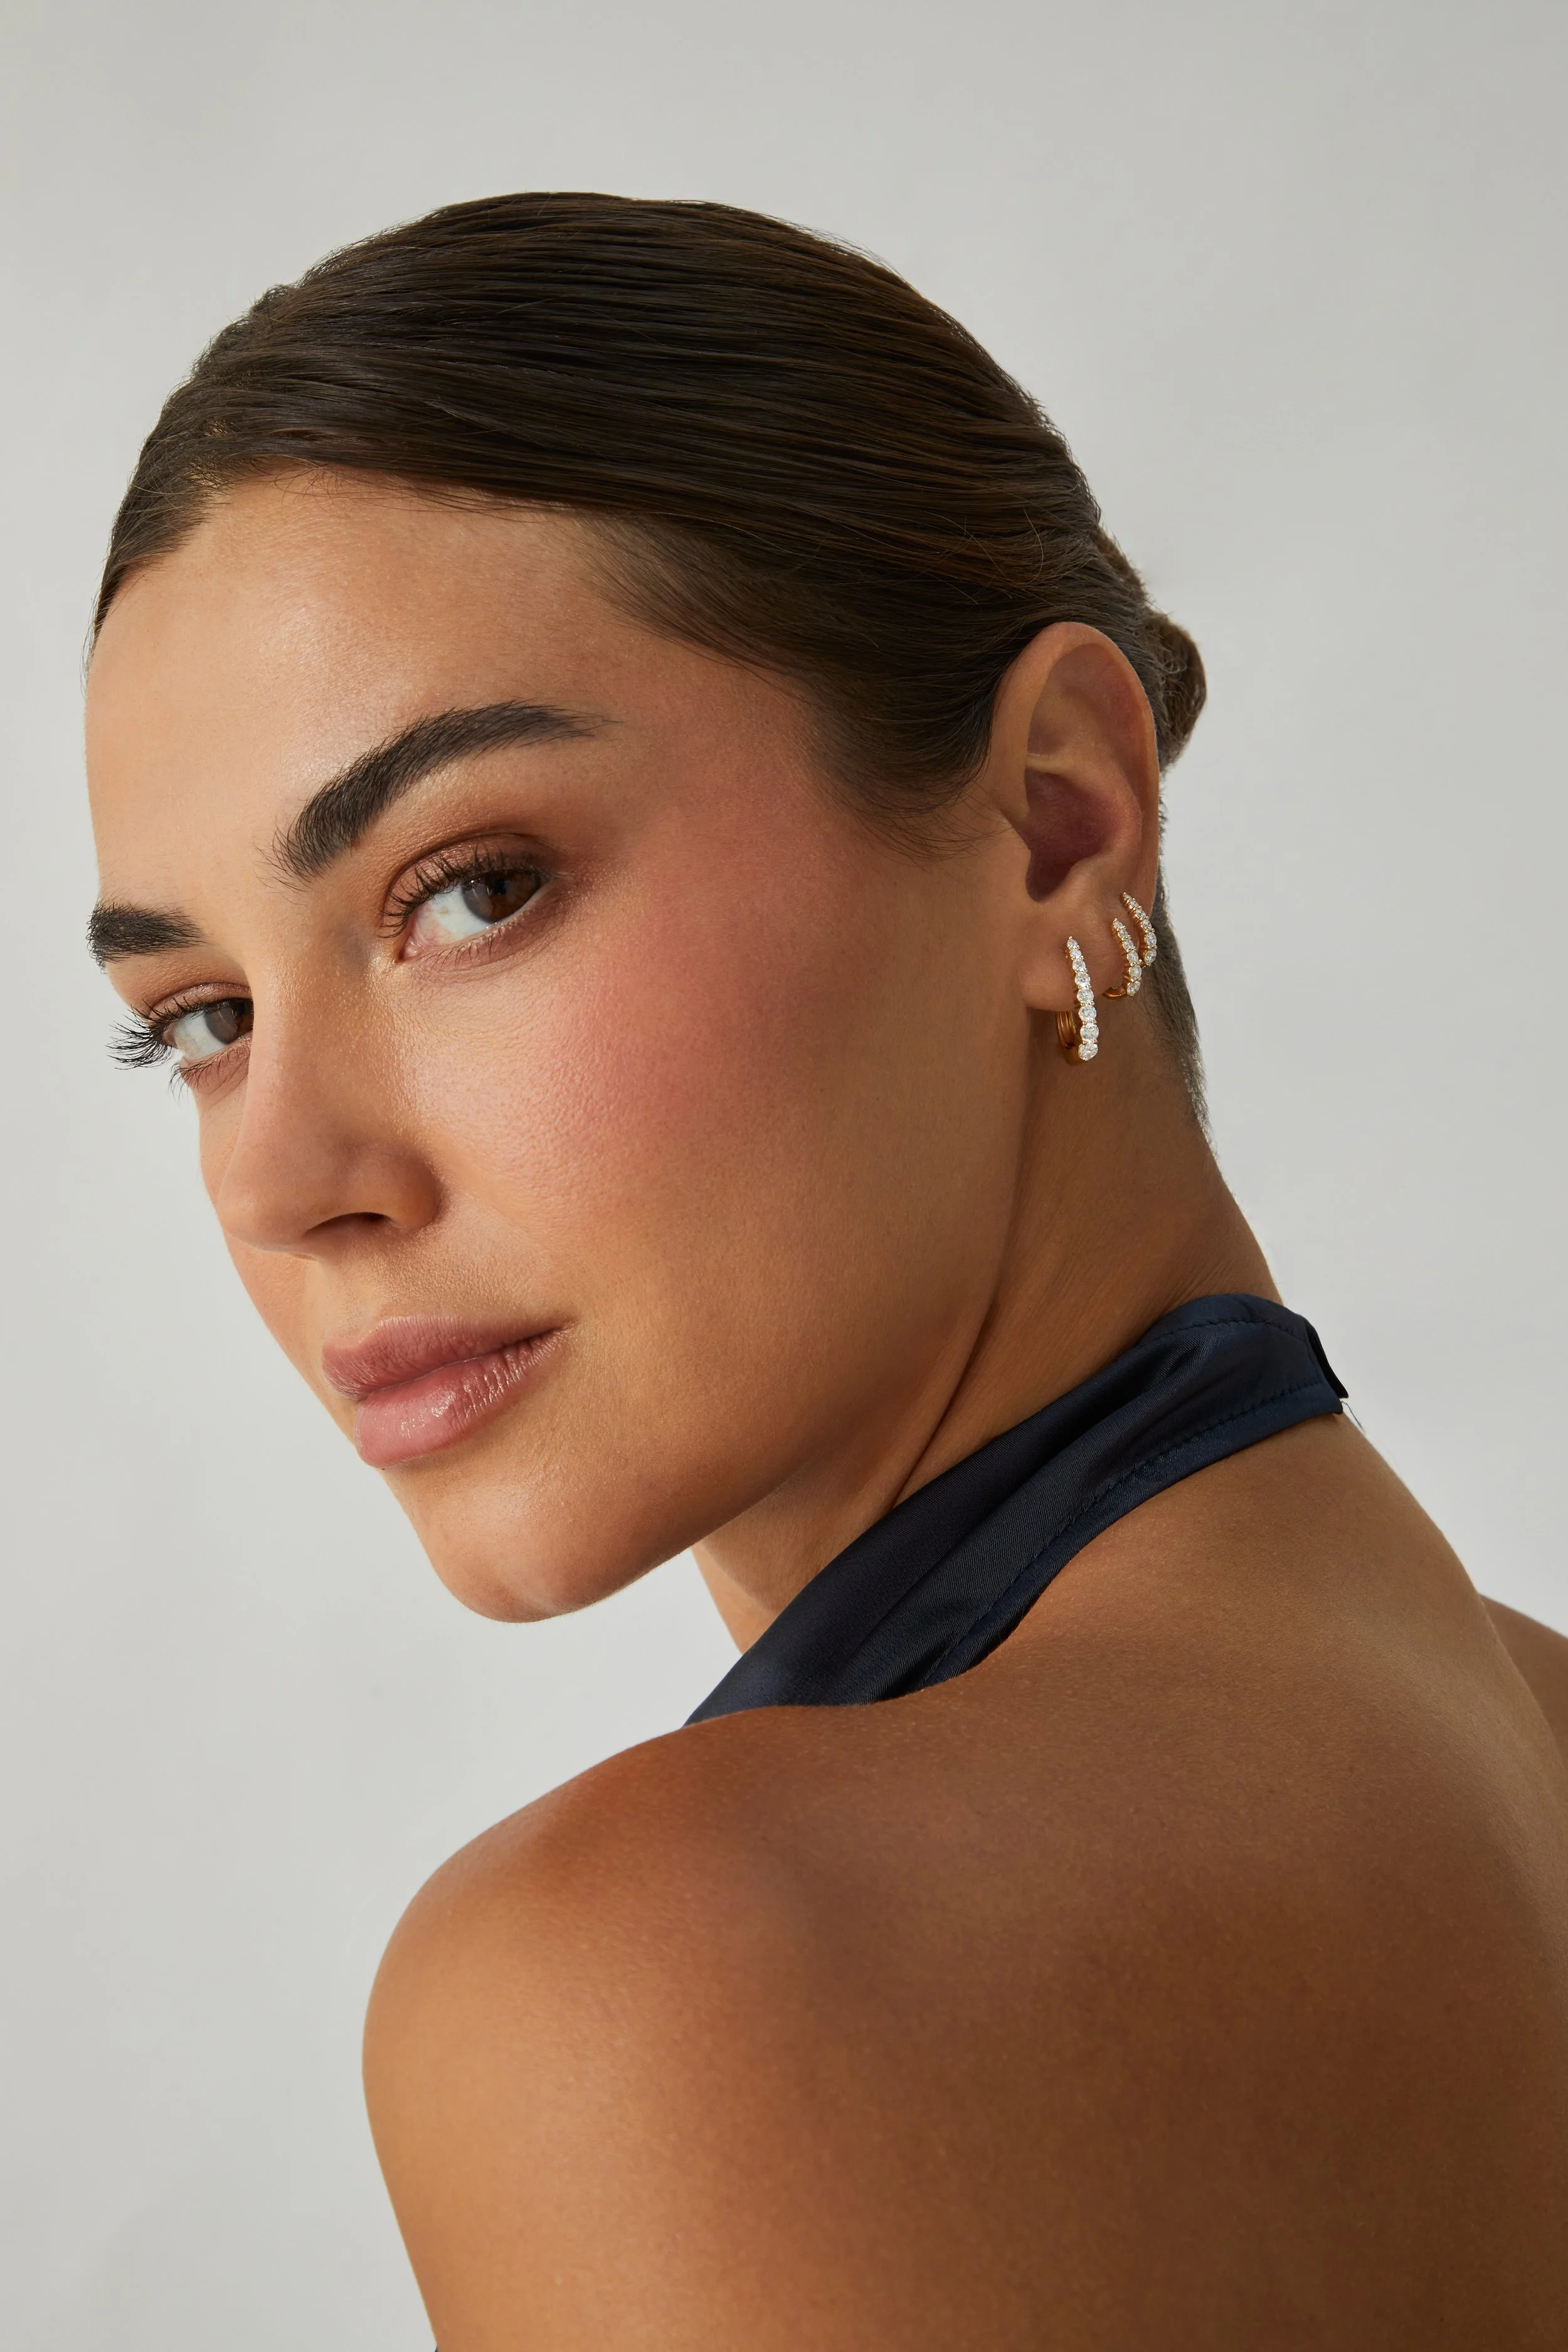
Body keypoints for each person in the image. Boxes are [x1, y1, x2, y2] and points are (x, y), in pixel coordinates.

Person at [83, 193, 1568, 2348]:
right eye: (200, 1018)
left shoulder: (679, 1968)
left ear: (1055, 819)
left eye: (471, 890)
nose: (287, 1174)